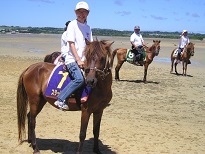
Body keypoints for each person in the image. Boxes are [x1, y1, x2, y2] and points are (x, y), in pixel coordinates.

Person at [54, 1, 93, 110]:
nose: (81, 14)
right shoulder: (72, 24)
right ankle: (61, 99)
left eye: (84, 11)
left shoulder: (88, 28)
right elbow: (71, 44)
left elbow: (89, 45)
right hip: (72, 58)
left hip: (84, 59)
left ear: (87, 13)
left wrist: (86, 60)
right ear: (75, 13)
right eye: (79, 12)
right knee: (79, 79)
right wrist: (78, 60)